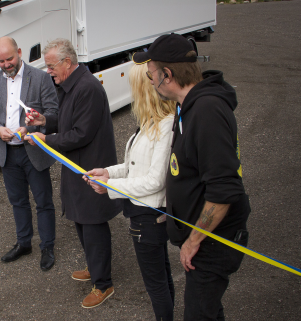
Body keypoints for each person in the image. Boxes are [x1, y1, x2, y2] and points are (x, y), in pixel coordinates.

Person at [133, 34, 250, 320]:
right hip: (204, 237)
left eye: (151, 76)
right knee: (207, 310)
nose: (150, 82)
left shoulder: (207, 111)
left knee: (198, 314)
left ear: (167, 75)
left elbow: (224, 190)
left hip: (213, 241)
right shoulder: (187, 106)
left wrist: (194, 240)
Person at [25, 38, 121, 308]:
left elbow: (80, 133)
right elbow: (68, 119)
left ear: (67, 62)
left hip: (90, 168)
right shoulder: (71, 85)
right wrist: (45, 121)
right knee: (81, 219)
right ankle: (95, 267)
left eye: (51, 66)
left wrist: (45, 140)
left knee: (92, 223)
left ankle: (104, 284)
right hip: (77, 167)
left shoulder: (87, 88)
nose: (48, 72)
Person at [84, 64, 176, 320]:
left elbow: (154, 181)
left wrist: (109, 188)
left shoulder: (166, 126)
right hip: (142, 215)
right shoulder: (151, 122)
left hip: (149, 218)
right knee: (162, 277)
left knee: (156, 284)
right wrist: (107, 172)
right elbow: (133, 166)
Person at [0, 37, 59, 271]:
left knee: (43, 201)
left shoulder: (40, 78)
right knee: (18, 202)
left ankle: (47, 246)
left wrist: (32, 128)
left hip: (33, 151)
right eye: (1, 61)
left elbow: (53, 113)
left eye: (10, 59)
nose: (6, 64)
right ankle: (24, 243)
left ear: (20, 52)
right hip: (8, 153)